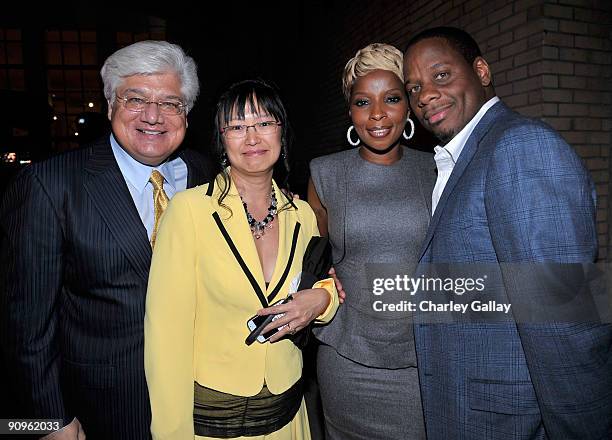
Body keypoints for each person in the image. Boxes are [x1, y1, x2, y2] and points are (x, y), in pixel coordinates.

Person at [403, 26, 612, 439]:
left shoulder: (521, 148)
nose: (424, 95)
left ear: (481, 71)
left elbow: (565, 319)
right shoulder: (460, 158)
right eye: (413, 87)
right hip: (471, 408)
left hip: (513, 419)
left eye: (440, 75)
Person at [0, 40, 214, 440]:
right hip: (106, 409)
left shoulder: (207, 176)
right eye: (135, 98)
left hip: (206, 401)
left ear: (186, 113)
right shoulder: (50, 185)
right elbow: (26, 323)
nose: (153, 115)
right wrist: (50, 420)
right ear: (110, 103)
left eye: (170, 103)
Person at [144, 78, 339, 440]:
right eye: (237, 127)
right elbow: (165, 337)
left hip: (288, 412)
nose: (252, 138)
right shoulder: (189, 211)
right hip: (215, 420)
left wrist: (323, 300)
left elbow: (322, 279)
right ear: (221, 139)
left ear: (282, 133)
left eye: (264, 123)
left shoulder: (302, 214)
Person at [307, 43, 435, 439]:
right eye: (364, 102)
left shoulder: (435, 169)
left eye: (392, 99)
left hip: (421, 359)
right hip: (347, 359)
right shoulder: (325, 173)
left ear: (409, 106)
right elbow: (311, 259)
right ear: (351, 111)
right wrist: (321, 278)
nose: (377, 114)